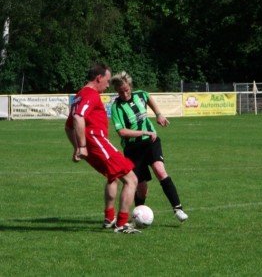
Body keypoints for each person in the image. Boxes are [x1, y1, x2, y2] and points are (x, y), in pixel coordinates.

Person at [65, 63, 141, 234]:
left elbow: (68, 127)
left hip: (93, 144)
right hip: (96, 141)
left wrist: (77, 148)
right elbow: (78, 118)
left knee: (112, 177)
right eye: (107, 81)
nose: (108, 85)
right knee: (132, 179)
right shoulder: (90, 94)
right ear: (99, 78)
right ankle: (122, 224)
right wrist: (82, 146)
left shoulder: (79, 95)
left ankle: (109, 218)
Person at [110, 71, 189, 222]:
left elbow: (148, 97)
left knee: (160, 171)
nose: (125, 94)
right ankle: (138, 214)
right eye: (121, 92)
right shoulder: (116, 107)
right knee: (142, 189)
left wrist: (159, 114)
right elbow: (121, 132)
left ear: (130, 87)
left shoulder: (140, 95)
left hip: (151, 141)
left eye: (127, 90)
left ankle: (178, 209)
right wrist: (142, 132)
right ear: (116, 91)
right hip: (133, 149)